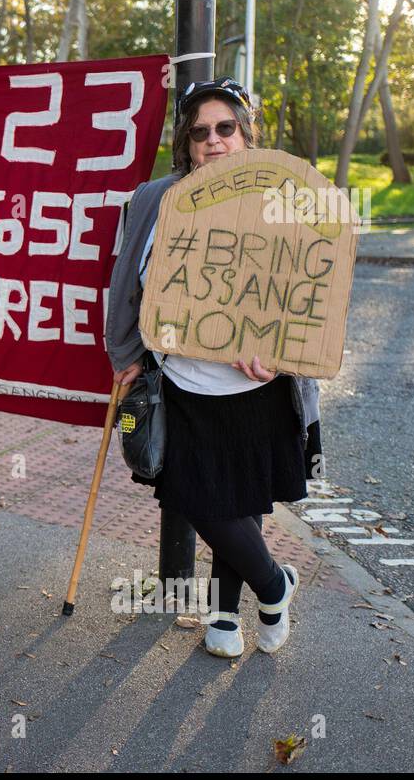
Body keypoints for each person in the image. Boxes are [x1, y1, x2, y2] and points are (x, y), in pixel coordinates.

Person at [105, 77, 322, 658]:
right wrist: (124, 351)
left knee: (240, 500)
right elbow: (128, 280)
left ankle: (224, 617)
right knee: (204, 501)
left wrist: (284, 352)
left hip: (259, 391)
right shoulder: (155, 199)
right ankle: (275, 586)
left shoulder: (286, 200)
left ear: (247, 134)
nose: (214, 140)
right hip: (183, 386)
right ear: (186, 143)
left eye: (226, 127)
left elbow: (311, 296)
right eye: (200, 132)